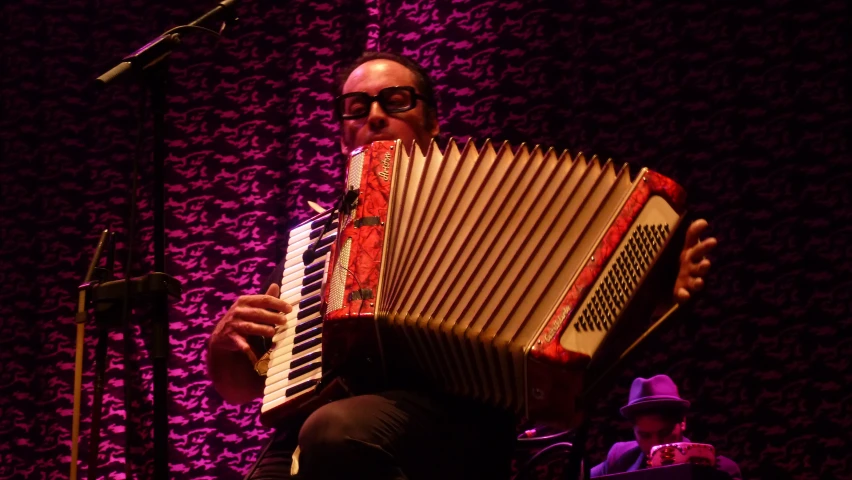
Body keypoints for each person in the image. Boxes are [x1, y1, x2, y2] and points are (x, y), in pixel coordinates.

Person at [207, 51, 719, 479]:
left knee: (334, 431)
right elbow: (243, 387)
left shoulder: (497, 205)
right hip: (317, 430)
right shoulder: (319, 244)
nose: (375, 115)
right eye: (356, 107)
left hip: (461, 421)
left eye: (396, 101)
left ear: (432, 121)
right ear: (342, 135)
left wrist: (651, 303)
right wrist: (225, 348)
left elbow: (576, 351)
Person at [590, 375, 742, 479]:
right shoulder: (620, 458)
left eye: (664, 433)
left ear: (682, 422)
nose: (656, 444)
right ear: (634, 431)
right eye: (645, 435)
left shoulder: (721, 471)